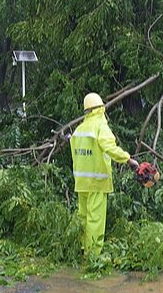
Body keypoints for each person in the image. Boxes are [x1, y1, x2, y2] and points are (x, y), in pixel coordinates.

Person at [70, 92, 138, 256]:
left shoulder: (79, 130)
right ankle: (93, 255)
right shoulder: (100, 126)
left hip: (81, 182)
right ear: (101, 108)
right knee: (95, 219)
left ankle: (82, 248)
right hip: (97, 181)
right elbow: (109, 148)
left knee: (83, 217)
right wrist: (128, 159)